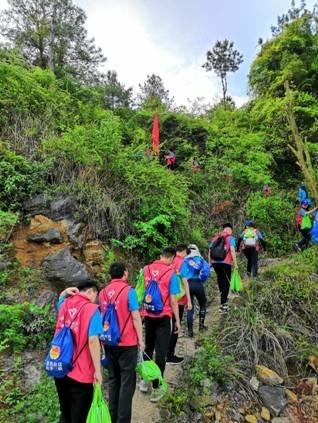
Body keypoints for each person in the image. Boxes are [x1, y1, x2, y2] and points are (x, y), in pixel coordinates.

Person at [99, 263, 144, 423]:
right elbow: (136, 316)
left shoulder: (102, 292)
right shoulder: (129, 291)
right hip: (127, 343)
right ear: (125, 274)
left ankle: (113, 418)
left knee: (113, 380)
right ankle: (123, 420)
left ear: (110, 275)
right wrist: (141, 339)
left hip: (109, 342)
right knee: (127, 382)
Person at [53, 280, 103, 423]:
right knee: (79, 416)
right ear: (90, 292)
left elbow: (61, 299)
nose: (95, 298)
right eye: (96, 295)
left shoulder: (64, 304)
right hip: (81, 373)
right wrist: (98, 371)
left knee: (65, 412)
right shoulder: (93, 310)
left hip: (60, 367)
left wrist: (64, 292)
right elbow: (93, 340)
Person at [139, 247, 181, 402]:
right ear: (172, 258)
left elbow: (141, 292)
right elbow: (173, 300)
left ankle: (144, 381)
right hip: (163, 317)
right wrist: (177, 320)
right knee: (161, 351)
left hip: (148, 315)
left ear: (160, 255)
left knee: (148, 347)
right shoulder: (171, 274)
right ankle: (156, 388)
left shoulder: (146, 270)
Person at [166, 244, 192, 364]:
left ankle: (162, 352)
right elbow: (185, 282)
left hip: (165, 300)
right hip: (178, 300)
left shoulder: (168, 260)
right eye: (186, 252)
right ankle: (169, 355)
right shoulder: (182, 262)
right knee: (175, 327)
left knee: (166, 327)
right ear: (182, 251)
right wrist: (189, 300)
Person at [209, 223, 238, 314]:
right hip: (225, 263)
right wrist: (235, 264)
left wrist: (210, 263)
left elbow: (209, 251)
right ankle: (223, 305)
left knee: (221, 281)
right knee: (226, 283)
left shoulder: (215, 238)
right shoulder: (231, 238)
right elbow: (232, 250)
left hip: (215, 263)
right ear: (230, 230)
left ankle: (223, 300)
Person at [184, 244, 208, 338]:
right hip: (197, 283)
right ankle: (201, 326)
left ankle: (190, 332)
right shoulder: (199, 258)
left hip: (187, 284)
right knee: (203, 304)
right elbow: (205, 270)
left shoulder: (185, 260)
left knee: (190, 308)